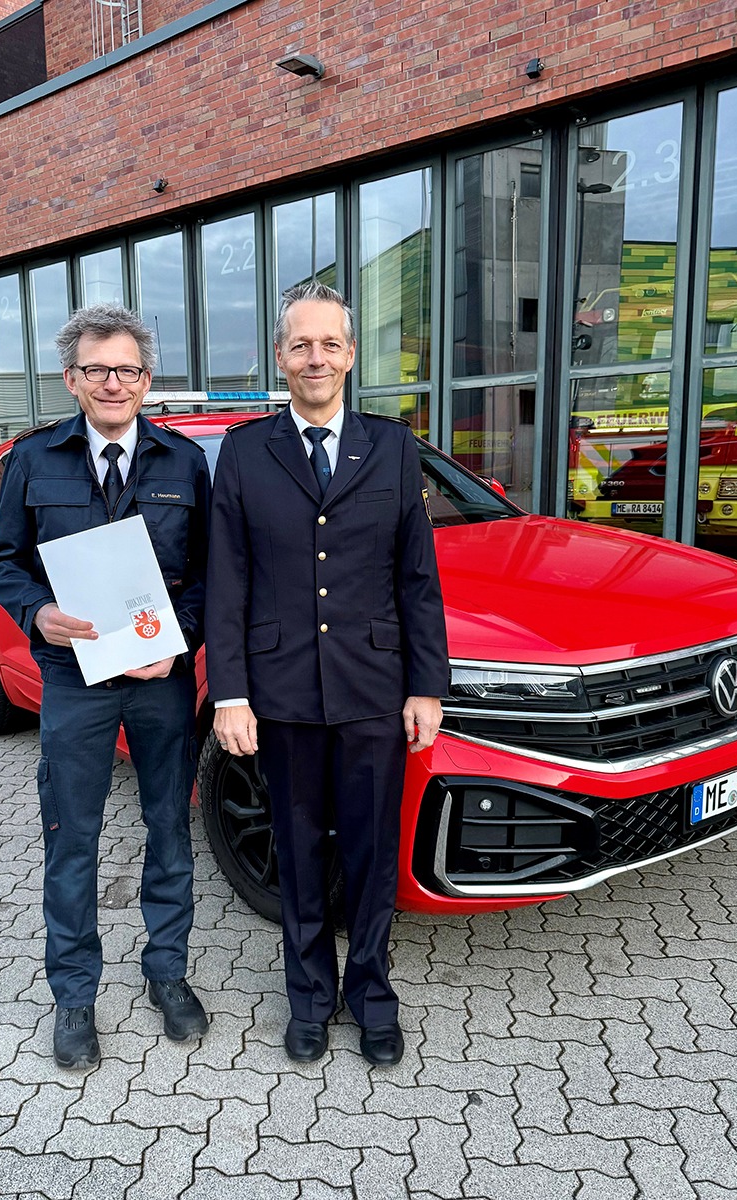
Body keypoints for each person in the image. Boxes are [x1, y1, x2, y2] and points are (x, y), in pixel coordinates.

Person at [206, 282, 448, 1066]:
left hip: (375, 689)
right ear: (281, 356)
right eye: (301, 344)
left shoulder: (393, 447)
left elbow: (416, 578)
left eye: (330, 344)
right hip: (280, 693)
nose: (316, 358)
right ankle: (309, 997)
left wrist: (427, 686)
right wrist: (231, 693)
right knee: (300, 852)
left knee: (374, 855)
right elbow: (228, 581)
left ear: (350, 355)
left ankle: (372, 995)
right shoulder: (246, 452)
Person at [0, 303, 211, 1069]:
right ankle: (74, 996)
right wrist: (37, 612)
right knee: (71, 837)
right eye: (98, 369)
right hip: (73, 680)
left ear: (146, 380)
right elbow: (3, 561)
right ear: (72, 378)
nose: (114, 382)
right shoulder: (32, 459)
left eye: (128, 369)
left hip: (159, 682)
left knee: (169, 829)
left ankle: (167, 972)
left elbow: (210, 573)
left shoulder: (184, 463)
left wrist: (177, 641)